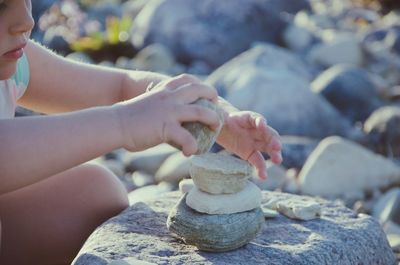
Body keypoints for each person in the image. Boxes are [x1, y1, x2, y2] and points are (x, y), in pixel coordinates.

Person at [0, 0, 283, 264]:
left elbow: (119, 87)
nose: (25, 20)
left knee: (93, 194)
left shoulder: (13, 64)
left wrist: (210, 112)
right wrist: (123, 123)